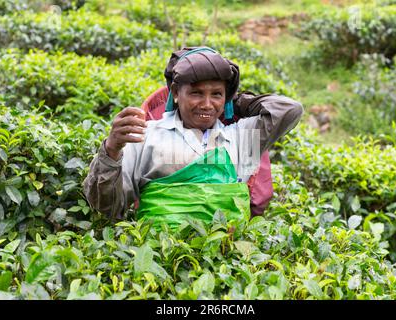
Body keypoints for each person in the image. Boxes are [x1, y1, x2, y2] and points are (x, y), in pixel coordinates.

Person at [83, 46, 303, 229]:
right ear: (176, 93)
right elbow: (107, 207)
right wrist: (112, 149)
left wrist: (234, 100)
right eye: (197, 93)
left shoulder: (240, 137)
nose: (207, 104)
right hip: (161, 260)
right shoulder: (146, 135)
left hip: (226, 261)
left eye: (216, 94)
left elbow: (290, 110)